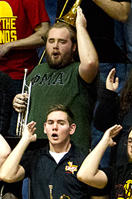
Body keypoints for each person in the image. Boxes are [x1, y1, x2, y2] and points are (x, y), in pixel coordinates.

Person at [12, 13, 99, 153]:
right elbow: (28, 106)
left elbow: (90, 63)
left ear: (74, 47)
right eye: (51, 41)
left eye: (62, 42)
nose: (55, 46)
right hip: (36, 151)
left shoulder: (78, 71)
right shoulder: (36, 71)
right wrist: (18, 101)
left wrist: (80, 27)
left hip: (71, 153)